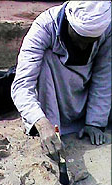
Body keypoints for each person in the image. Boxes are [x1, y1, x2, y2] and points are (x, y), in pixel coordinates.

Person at [11, 1, 111, 161]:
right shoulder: (44, 26)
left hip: (85, 95)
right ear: (68, 23)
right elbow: (22, 85)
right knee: (45, 60)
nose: (83, 47)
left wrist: (95, 122)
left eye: (90, 42)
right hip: (53, 98)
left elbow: (104, 73)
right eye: (79, 39)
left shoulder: (107, 28)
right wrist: (42, 123)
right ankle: (52, 130)